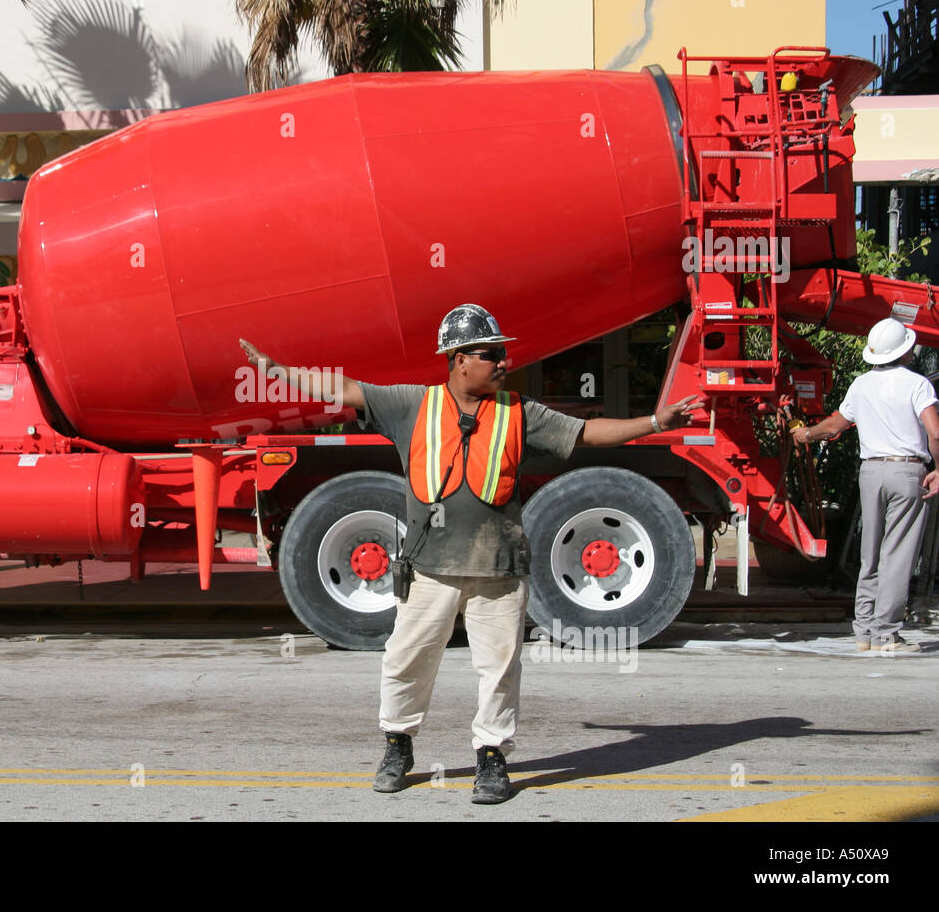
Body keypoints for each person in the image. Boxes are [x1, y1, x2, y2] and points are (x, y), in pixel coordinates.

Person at [240, 303, 700, 804]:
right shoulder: (411, 405)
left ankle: (492, 758)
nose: (503, 362)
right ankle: (398, 745)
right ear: (458, 359)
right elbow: (343, 389)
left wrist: (655, 421)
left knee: (499, 669)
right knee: (405, 662)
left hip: (497, 570)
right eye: (491, 355)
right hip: (429, 571)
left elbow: (587, 432)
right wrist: (277, 373)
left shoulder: (520, 413)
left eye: (503, 354)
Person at [793, 317, 939, 653]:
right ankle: (886, 634)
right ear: (905, 352)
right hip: (907, 472)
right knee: (897, 554)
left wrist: (807, 435)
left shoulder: (861, 385)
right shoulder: (917, 385)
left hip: (871, 473)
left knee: (870, 552)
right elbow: (935, 432)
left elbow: (835, 424)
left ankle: (863, 632)